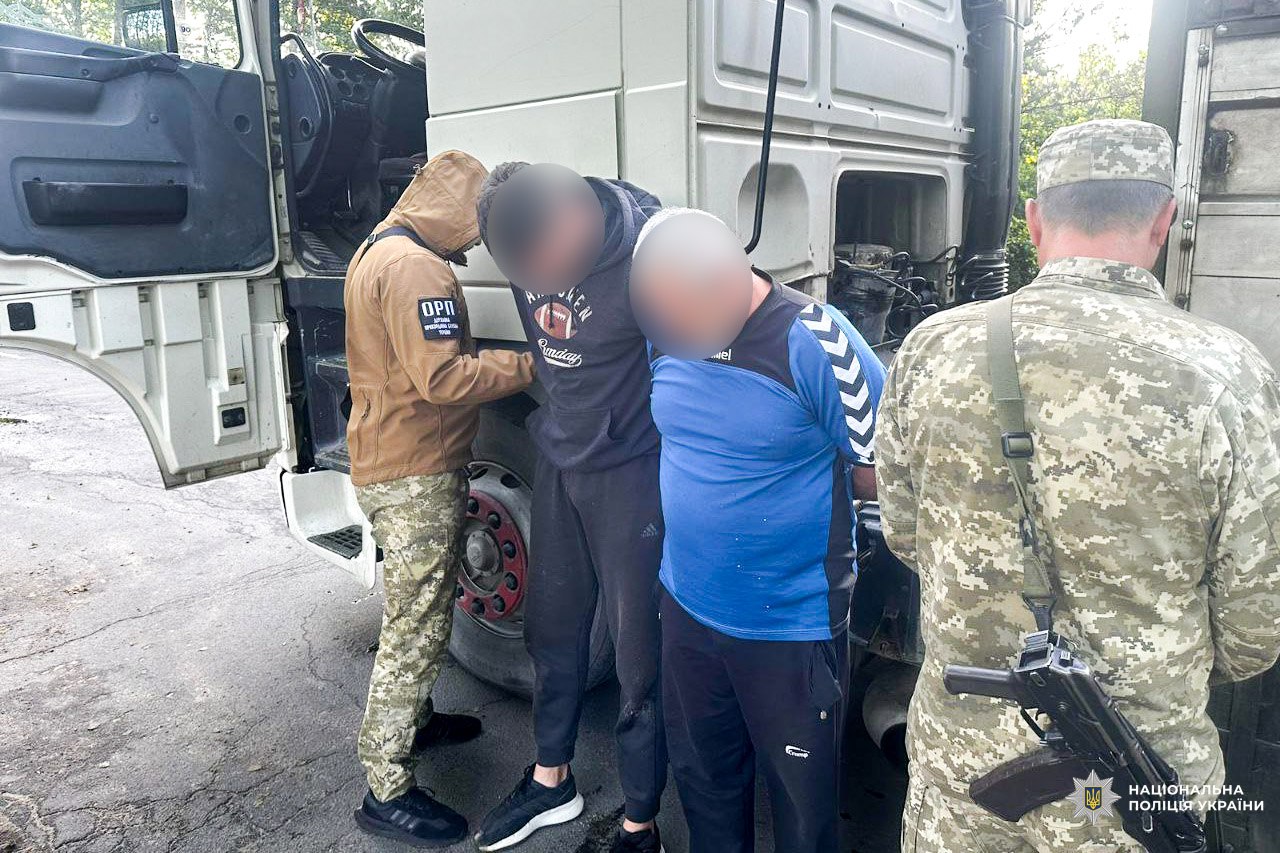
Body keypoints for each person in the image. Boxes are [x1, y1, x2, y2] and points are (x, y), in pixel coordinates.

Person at [876, 119, 1280, 852]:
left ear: (1035, 220)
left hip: (962, 771)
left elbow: (906, 536)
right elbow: (1254, 632)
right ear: (1164, 220)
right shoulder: (1229, 376)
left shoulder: (931, 350)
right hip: (1133, 783)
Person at [634, 208, 885, 853]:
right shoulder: (664, 328)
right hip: (686, 608)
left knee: (802, 809)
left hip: (790, 626)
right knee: (705, 784)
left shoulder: (818, 342)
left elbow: (882, 469)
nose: (677, 330)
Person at [471, 163, 667, 853]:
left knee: (641, 658)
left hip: (632, 473)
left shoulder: (652, 255)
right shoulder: (523, 235)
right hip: (561, 456)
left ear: (580, 223)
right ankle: (551, 779)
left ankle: (641, 821)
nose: (540, 285)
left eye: (550, 268)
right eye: (527, 276)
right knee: (552, 628)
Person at [343, 150, 536, 847]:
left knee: (418, 608)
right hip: (414, 472)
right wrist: (533, 363)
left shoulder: (379, 248)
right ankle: (386, 786)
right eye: (476, 228)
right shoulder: (416, 268)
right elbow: (444, 379)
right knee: (417, 625)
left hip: (393, 459)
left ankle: (415, 722)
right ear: (455, 211)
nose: (477, 245)